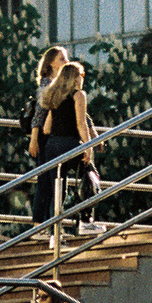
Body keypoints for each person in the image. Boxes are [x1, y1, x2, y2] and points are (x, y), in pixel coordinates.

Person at [30, 56, 95, 230]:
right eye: (81, 75)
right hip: (70, 144)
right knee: (89, 176)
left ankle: (54, 233)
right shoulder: (78, 95)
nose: (82, 79)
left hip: (52, 146)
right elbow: (82, 124)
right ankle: (86, 222)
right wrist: (89, 147)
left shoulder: (55, 97)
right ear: (75, 77)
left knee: (57, 189)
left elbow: (46, 128)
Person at [23, 44, 70, 228]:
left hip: (51, 135)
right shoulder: (47, 83)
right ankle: (40, 223)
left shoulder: (57, 83)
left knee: (49, 180)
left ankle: (41, 223)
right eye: (62, 58)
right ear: (51, 63)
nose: (66, 61)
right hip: (44, 136)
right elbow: (39, 114)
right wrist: (34, 139)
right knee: (46, 180)